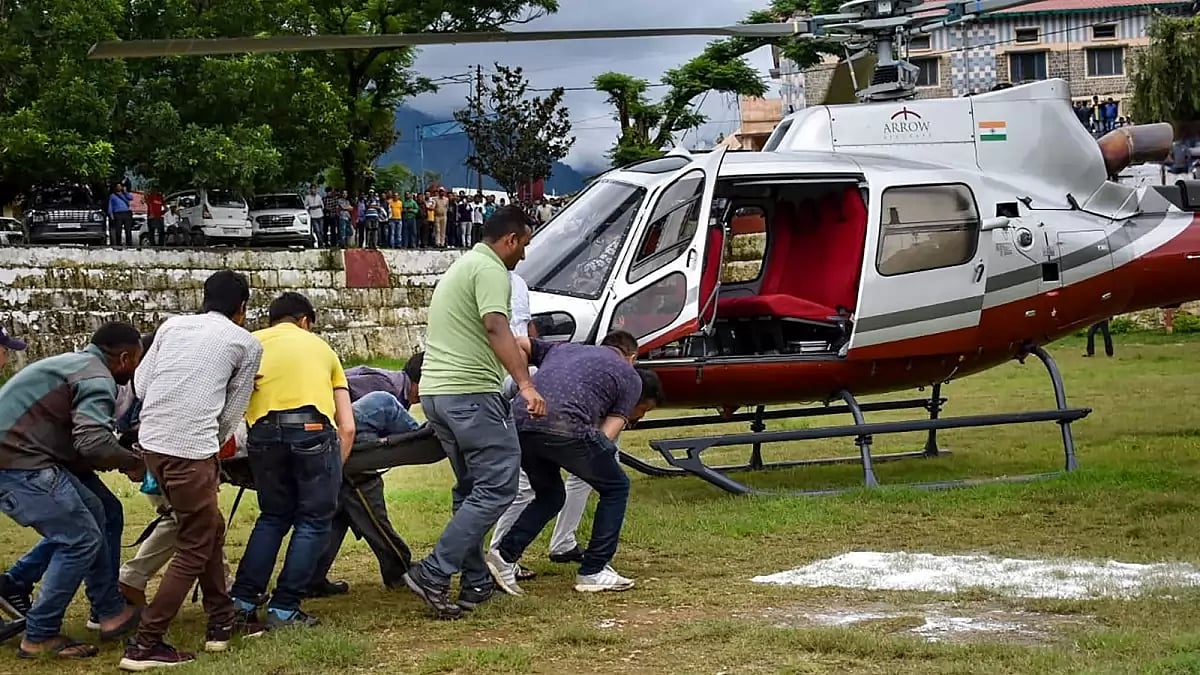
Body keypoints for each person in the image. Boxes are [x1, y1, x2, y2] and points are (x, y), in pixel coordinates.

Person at [402, 205, 546, 620]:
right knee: (498, 486)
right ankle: (433, 571)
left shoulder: (462, 266)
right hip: (471, 393)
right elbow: (496, 327)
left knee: (471, 490)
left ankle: (476, 581)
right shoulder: (491, 271)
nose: (524, 255)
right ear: (511, 240)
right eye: (524, 246)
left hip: (438, 395)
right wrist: (525, 384)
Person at [121, 270, 264, 671]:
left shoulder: (172, 326)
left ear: (204, 299)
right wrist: (208, 446)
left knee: (208, 528)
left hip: (152, 445)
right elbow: (232, 411)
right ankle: (146, 643)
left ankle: (222, 621)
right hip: (190, 452)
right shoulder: (245, 342)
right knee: (194, 545)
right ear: (242, 308)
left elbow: (141, 385)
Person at [0, 322, 145, 660]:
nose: (136, 370)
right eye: (137, 362)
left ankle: (109, 610)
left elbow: (73, 437)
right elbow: (93, 442)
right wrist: (133, 462)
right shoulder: (97, 377)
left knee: (105, 511)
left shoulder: (77, 364)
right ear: (124, 358)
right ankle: (39, 635)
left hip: (30, 454)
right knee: (79, 538)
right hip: (18, 463)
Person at [488, 331, 663, 594]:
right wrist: (592, 460)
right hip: (567, 426)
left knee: (550, 496)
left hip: (521, 421)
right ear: (631, 357)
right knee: (616, 486)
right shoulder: (630, 376)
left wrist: (525, 384)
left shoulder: (563, 348)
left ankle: (503, 556)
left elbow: (519, 342)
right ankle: (594, 570)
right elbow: (607, 435)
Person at [228, 292, 355, 630]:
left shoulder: (251, 344)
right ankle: (284, 608)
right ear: (304, 321)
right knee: (313, 520)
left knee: (272, 517)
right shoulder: (322, 348)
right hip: (312, 430)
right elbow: (348, 426)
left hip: (263, 435)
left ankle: (241, 601)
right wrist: (333, 469)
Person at [307, 353, 425, 594]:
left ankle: (310, 578)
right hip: (348, 447)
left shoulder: (393, 386)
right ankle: (400, 569)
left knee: (340, 514)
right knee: (369, 506)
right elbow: (336, 395)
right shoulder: (384, 386)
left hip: (340, 447)